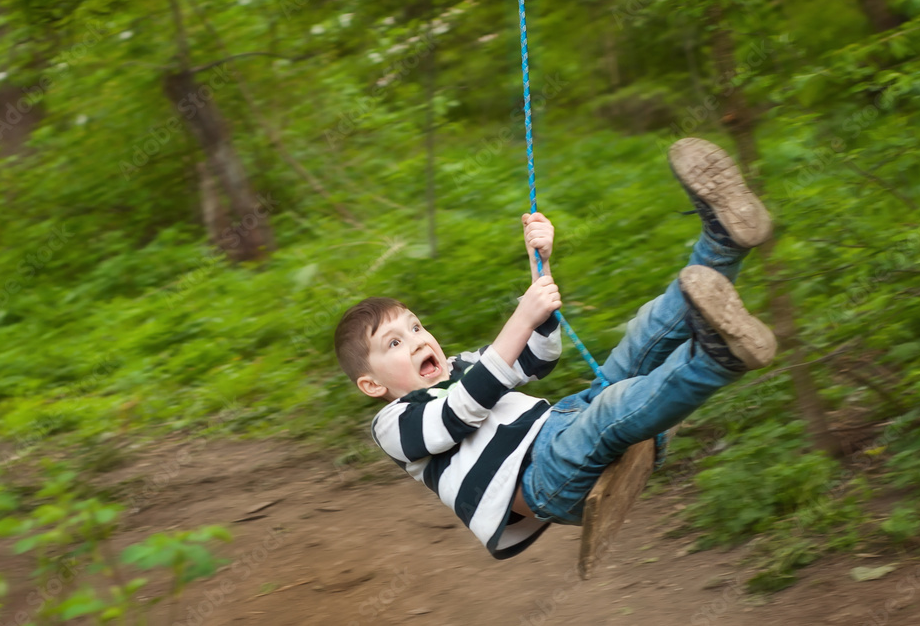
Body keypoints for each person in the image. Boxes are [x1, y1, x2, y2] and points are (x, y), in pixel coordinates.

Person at [333, 138, 777, 559]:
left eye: (415, 326)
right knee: (615, 404)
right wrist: (521, 316)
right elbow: (460, 411)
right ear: (371, 384)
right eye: (394, 342)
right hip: (545, 478)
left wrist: (538, 268)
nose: (417, 340)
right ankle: (717, 357)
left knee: (642, 336)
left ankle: (721, 244)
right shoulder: (394, 424)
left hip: (567, 422)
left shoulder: (462, 366)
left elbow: (537, 357)